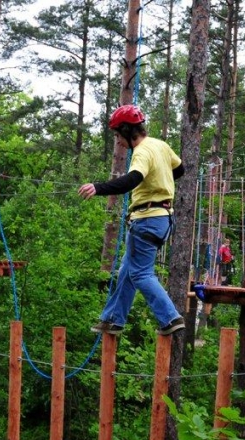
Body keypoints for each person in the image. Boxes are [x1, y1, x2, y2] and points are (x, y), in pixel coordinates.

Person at [78, 104, 185, 336]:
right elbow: (180, 169)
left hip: (147, 219)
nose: (118, 141)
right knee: (127, 270)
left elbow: (131, 180)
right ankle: (113, 319)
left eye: (118, 134)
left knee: (140, 273)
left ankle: (170, 317)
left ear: (127, 130)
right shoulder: (161, 146)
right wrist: (159, 177)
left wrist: (98, 188)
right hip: (162, 219)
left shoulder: (142, 151)